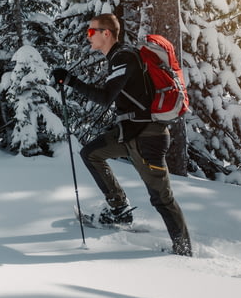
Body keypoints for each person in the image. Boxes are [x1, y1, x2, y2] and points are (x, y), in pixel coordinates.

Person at [51, 13, 193, 257]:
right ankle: (120, 209)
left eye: (90, 32)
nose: (88, 37)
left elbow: (106, 97)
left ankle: (183, 250)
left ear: (106, 33)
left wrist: (71, 80)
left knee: (161, 198)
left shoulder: (124, 57)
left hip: (148, 138)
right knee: (91, 153)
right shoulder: (120, 57)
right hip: (130, 134)